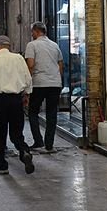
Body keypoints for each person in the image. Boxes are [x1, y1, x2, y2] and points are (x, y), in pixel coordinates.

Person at [0, 35, 34, 175]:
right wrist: (26, 95)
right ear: (9, 46)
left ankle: (2, 165)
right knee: (17, 132)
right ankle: (24, 152)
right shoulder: (18, 58)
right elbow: (27, 79)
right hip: (16, 99)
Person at [24, 22, 64, 152]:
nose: (31, 34)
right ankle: (49, 144)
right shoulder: (55, 45)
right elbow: (60, 65)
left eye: (32, 32)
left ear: (36, 31)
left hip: (39, 83)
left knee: (33, 112)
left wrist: (27, 84)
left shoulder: (32, 45)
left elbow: (30, 65)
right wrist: (57, 78)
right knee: (52, 113)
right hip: (55, 83)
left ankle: (38, 141)